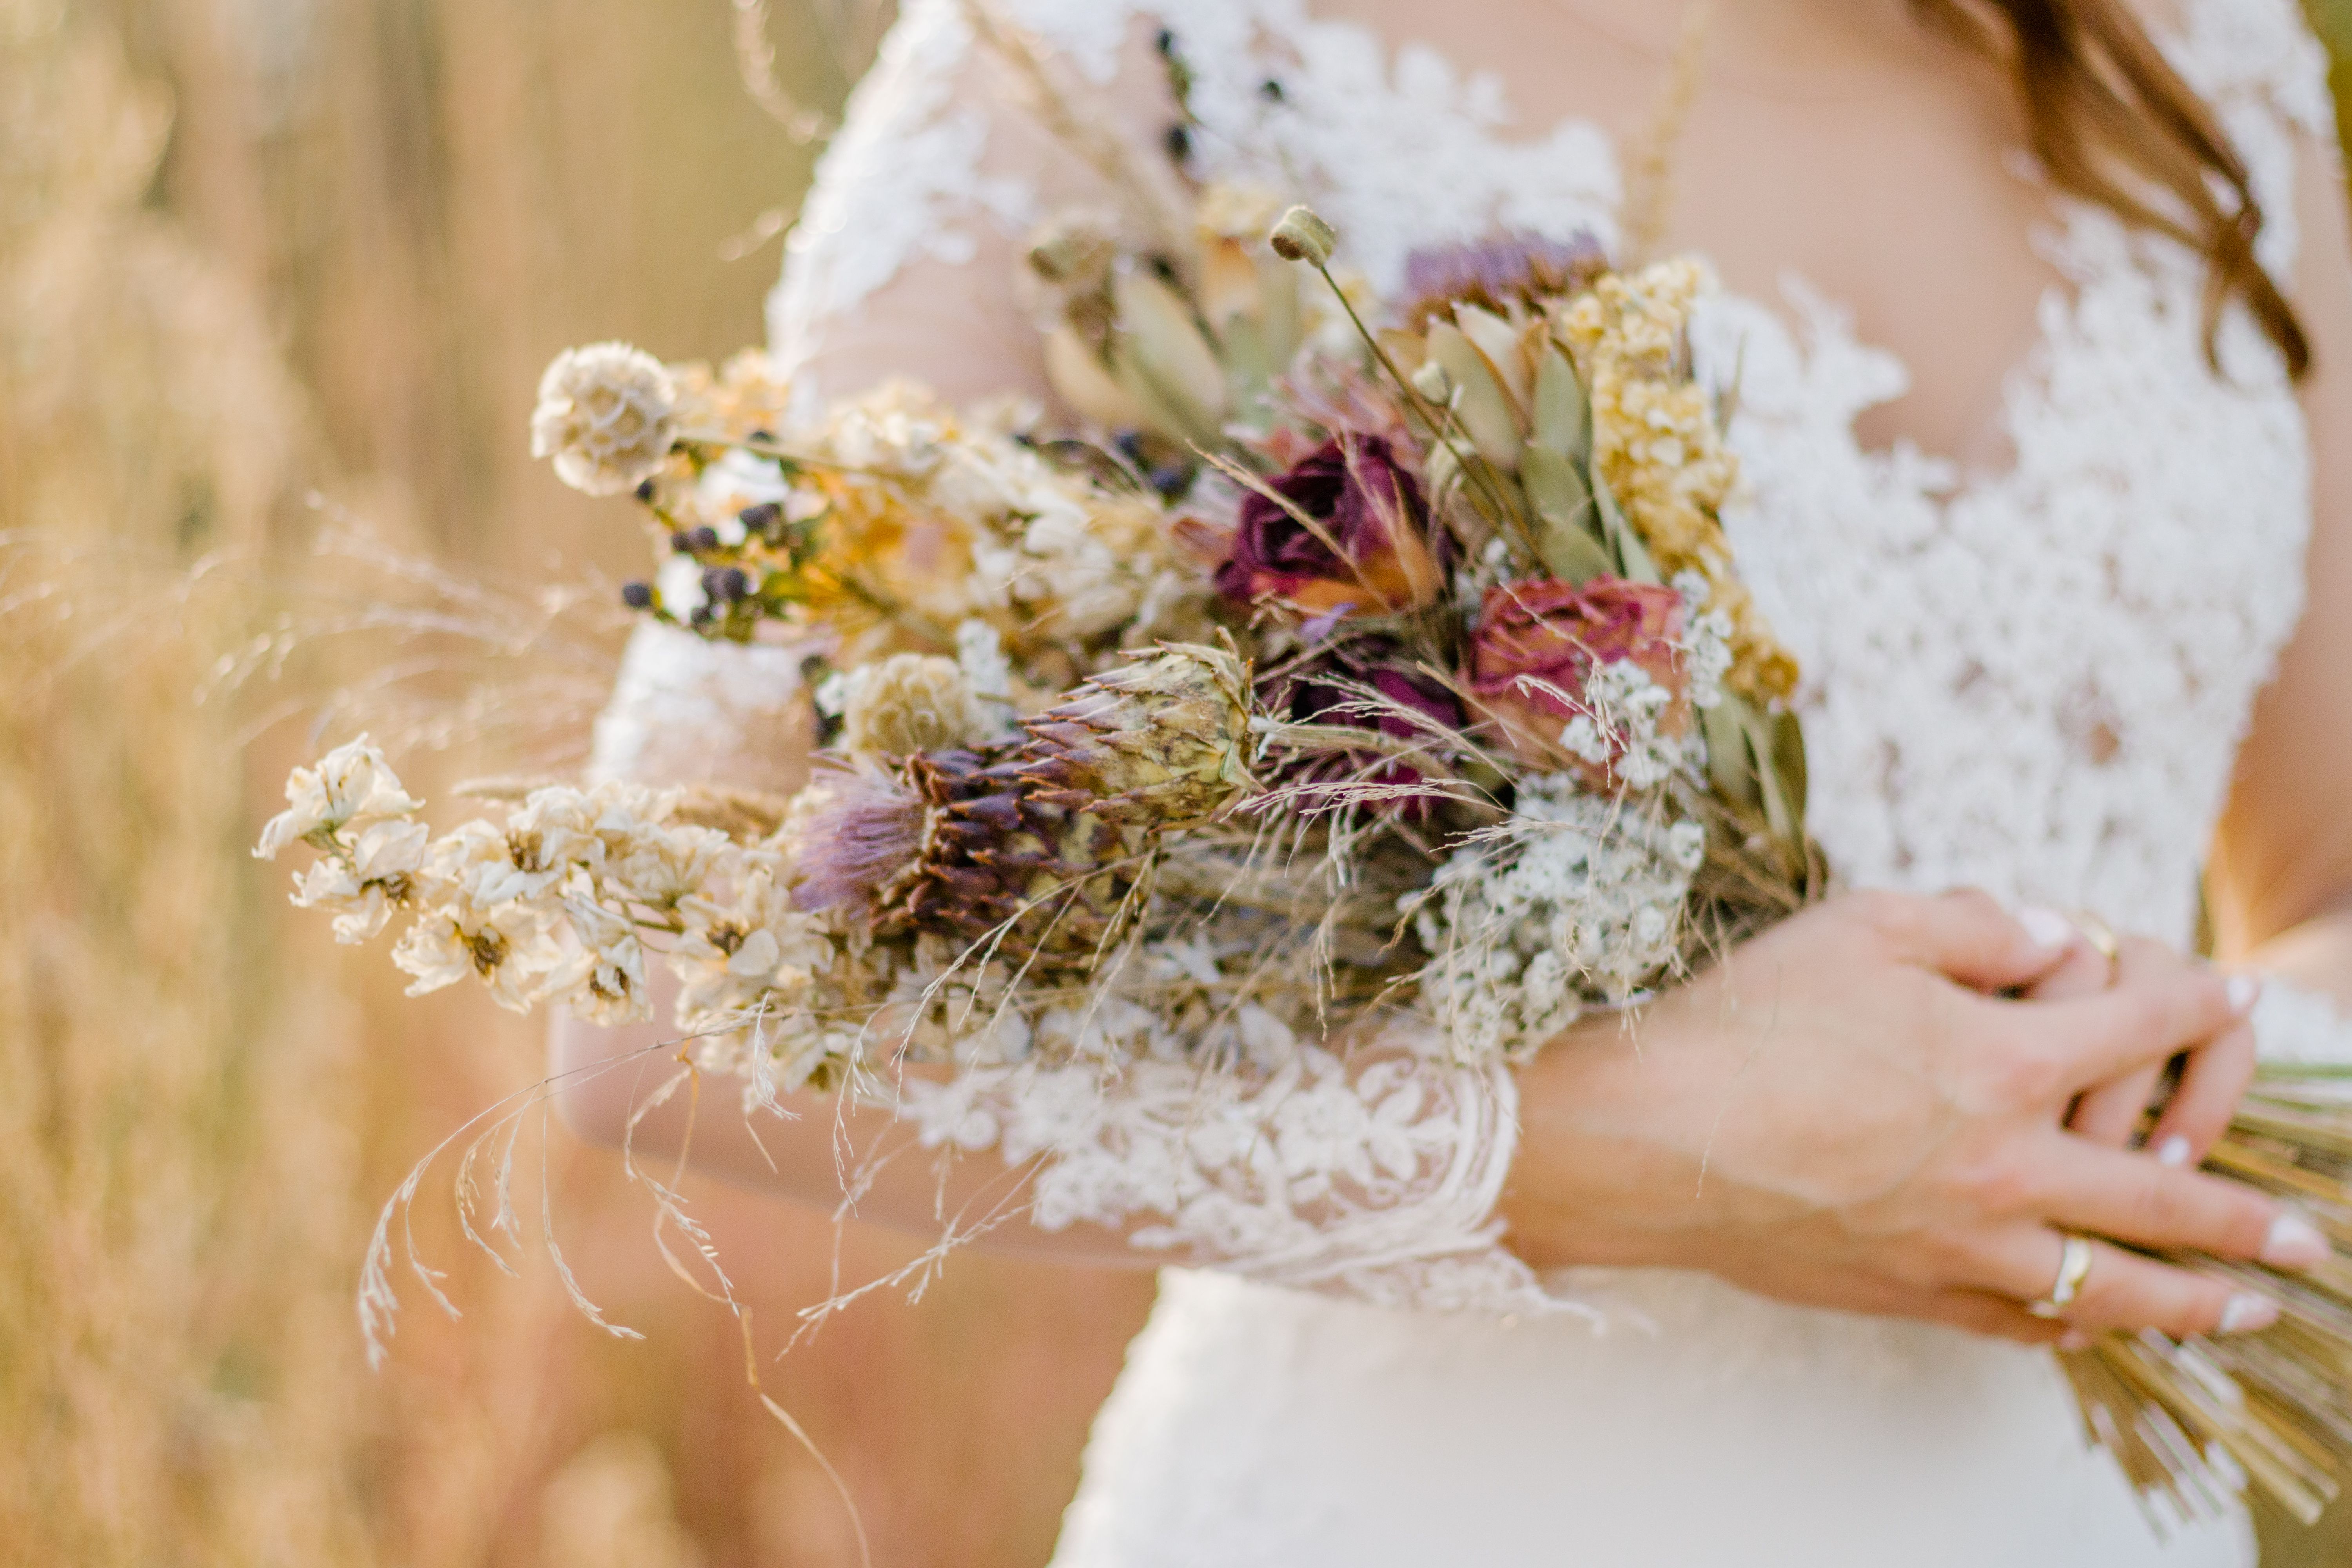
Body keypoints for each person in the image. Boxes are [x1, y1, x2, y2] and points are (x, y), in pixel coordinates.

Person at [555, 0, 2352, 1559]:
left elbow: (2329, 896)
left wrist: (2141, 1095)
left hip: (2067, 1516)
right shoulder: (1144, 52)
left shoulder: (2205, 69)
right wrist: (1593, 1153)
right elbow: (660, 993)